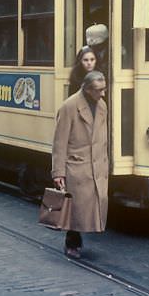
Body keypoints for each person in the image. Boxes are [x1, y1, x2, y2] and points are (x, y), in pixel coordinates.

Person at [51, 71, 109, 259]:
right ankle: (72, 243)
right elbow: (60, 142)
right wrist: (58, 172)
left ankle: (79, 238)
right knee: (74, 209)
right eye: (99, 90)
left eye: (104, 89)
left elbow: (103, 138)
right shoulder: (69, 106)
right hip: (77, 166)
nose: (103, 94)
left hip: (96, 166)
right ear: (87, 89)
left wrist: (105, 163)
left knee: (91, 207)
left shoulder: (102, 106)